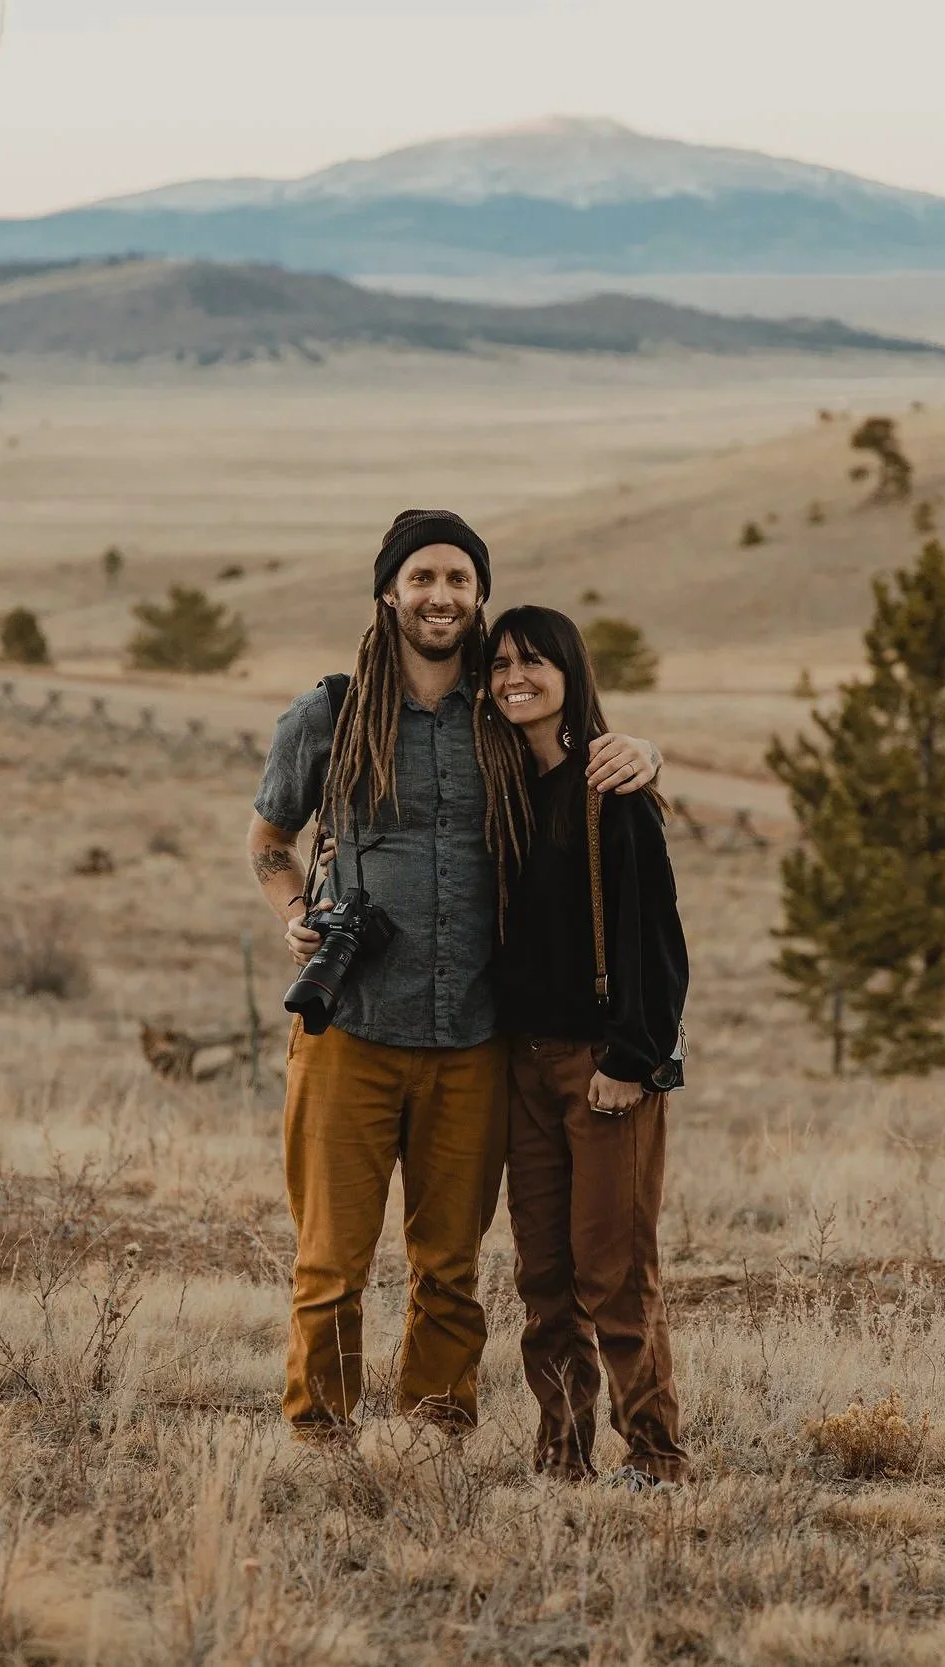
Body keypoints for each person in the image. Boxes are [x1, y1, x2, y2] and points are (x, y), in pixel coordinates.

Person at [245, 511, 662, 1444]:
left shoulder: (502, 709)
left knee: (451, 1267)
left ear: (478, 596)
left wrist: (648, 750)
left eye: (460, 580)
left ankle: (433, 1432)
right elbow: (269, 838)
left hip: (474, 1037)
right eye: (423, 577)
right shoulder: (331, 712)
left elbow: (582, 748)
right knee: (330, 1262)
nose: (442, 596)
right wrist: (291, 914)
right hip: (348, 1028)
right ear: (389, 592)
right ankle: (321, 1432)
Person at [484, 605, 690, 1487]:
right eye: (499, 665)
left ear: (570, 673)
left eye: (534, 662)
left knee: (615, 1272)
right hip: (520, 1065)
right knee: (544, 1277)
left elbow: (660, 945)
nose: (513, 678)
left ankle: (656, 1454)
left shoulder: (613, 794)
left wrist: (629, 1060)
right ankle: (561, 1456)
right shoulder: (499, 787)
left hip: (603, 1067)